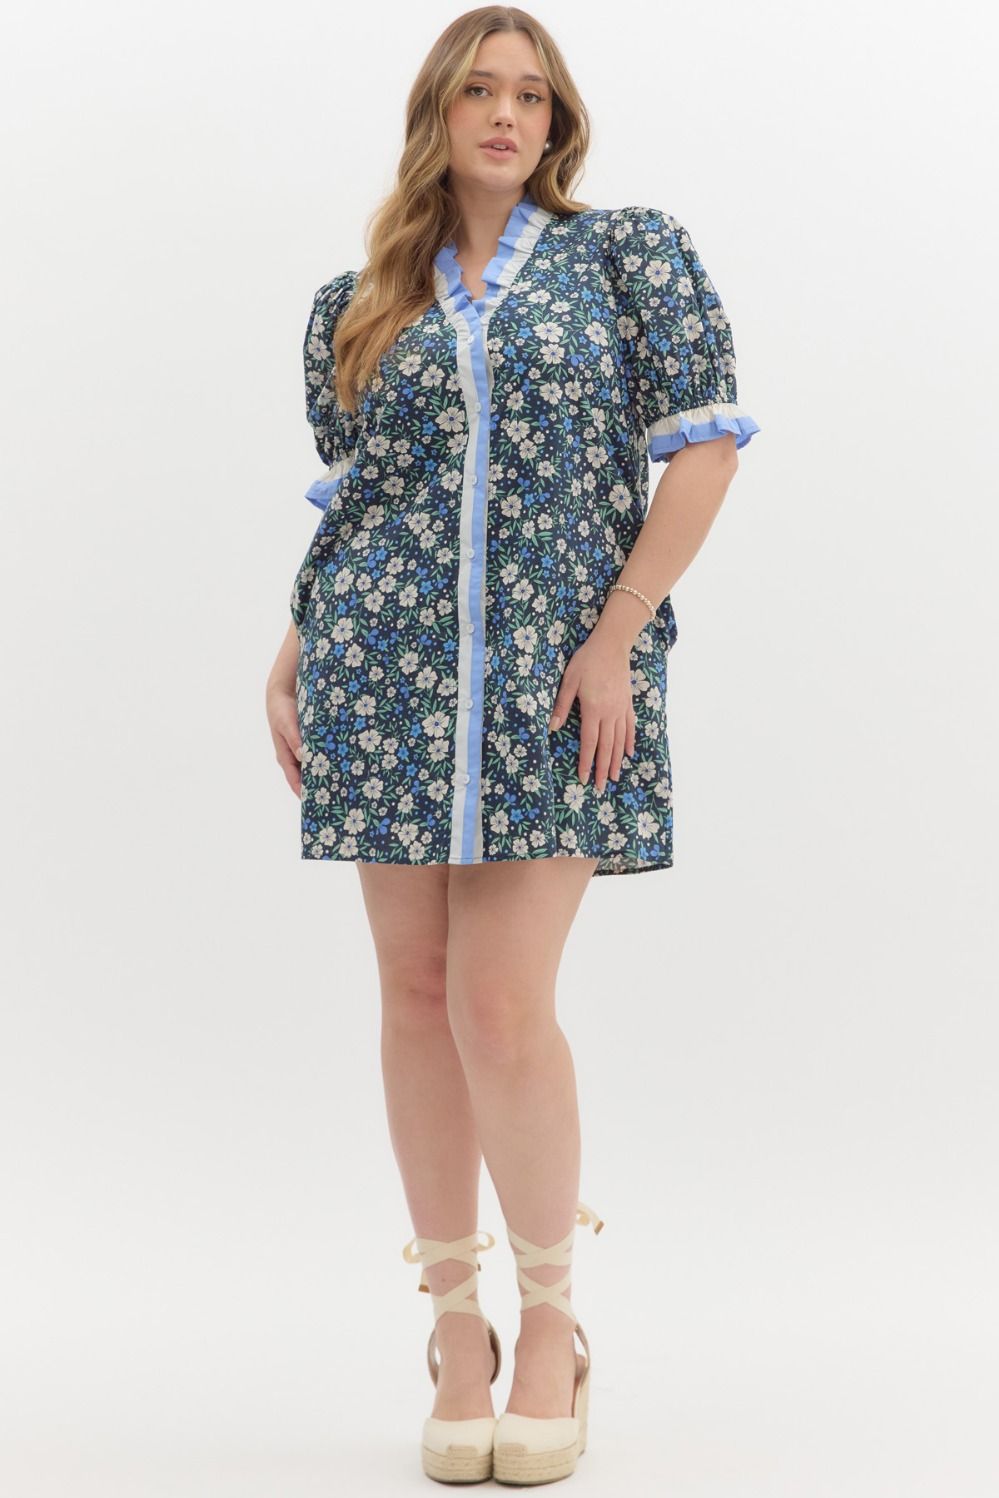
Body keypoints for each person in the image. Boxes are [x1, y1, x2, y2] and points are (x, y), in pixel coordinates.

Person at [265, 5, 760, 1485]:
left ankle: (552, 1327)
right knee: (416, 995)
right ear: (437, 111)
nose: (505, 114)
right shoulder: (358, 301)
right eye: (478, 90)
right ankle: (455, 1332)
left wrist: (618, 636)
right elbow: (362, 500)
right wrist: (294, 645)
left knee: (499, 1002)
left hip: (557, 679)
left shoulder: (630, 260)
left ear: (559, 121)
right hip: (383, 671)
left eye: (531, 95)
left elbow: (706, 451)